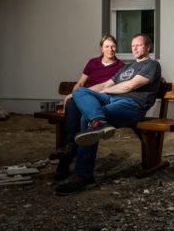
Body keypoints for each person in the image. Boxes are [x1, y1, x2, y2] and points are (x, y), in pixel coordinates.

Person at [54, 34, 161, 196]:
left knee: (86, 118)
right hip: (111, 100)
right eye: (132, 45)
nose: (135, 48)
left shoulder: (152, 65)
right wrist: (78, 94)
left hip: (132, 106)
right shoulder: (126, 67)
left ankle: (83, 176)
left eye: (139, 45)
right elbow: (105, 84)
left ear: (148, 47)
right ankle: (99, 122)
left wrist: (105, 91)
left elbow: (129, 86)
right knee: (81, 92)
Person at [49, 34, 124, 181]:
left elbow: (133, 77)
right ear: (101, 48)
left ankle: (66, 157)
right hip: (85, 98)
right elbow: (80, 83)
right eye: (107, 46)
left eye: (113, 46)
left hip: (101, 100)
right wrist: (74, 93)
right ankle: (69, 148)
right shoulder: (93, 63)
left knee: (79, 114)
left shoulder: (121, 67)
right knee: (72, 102)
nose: (111, 49)